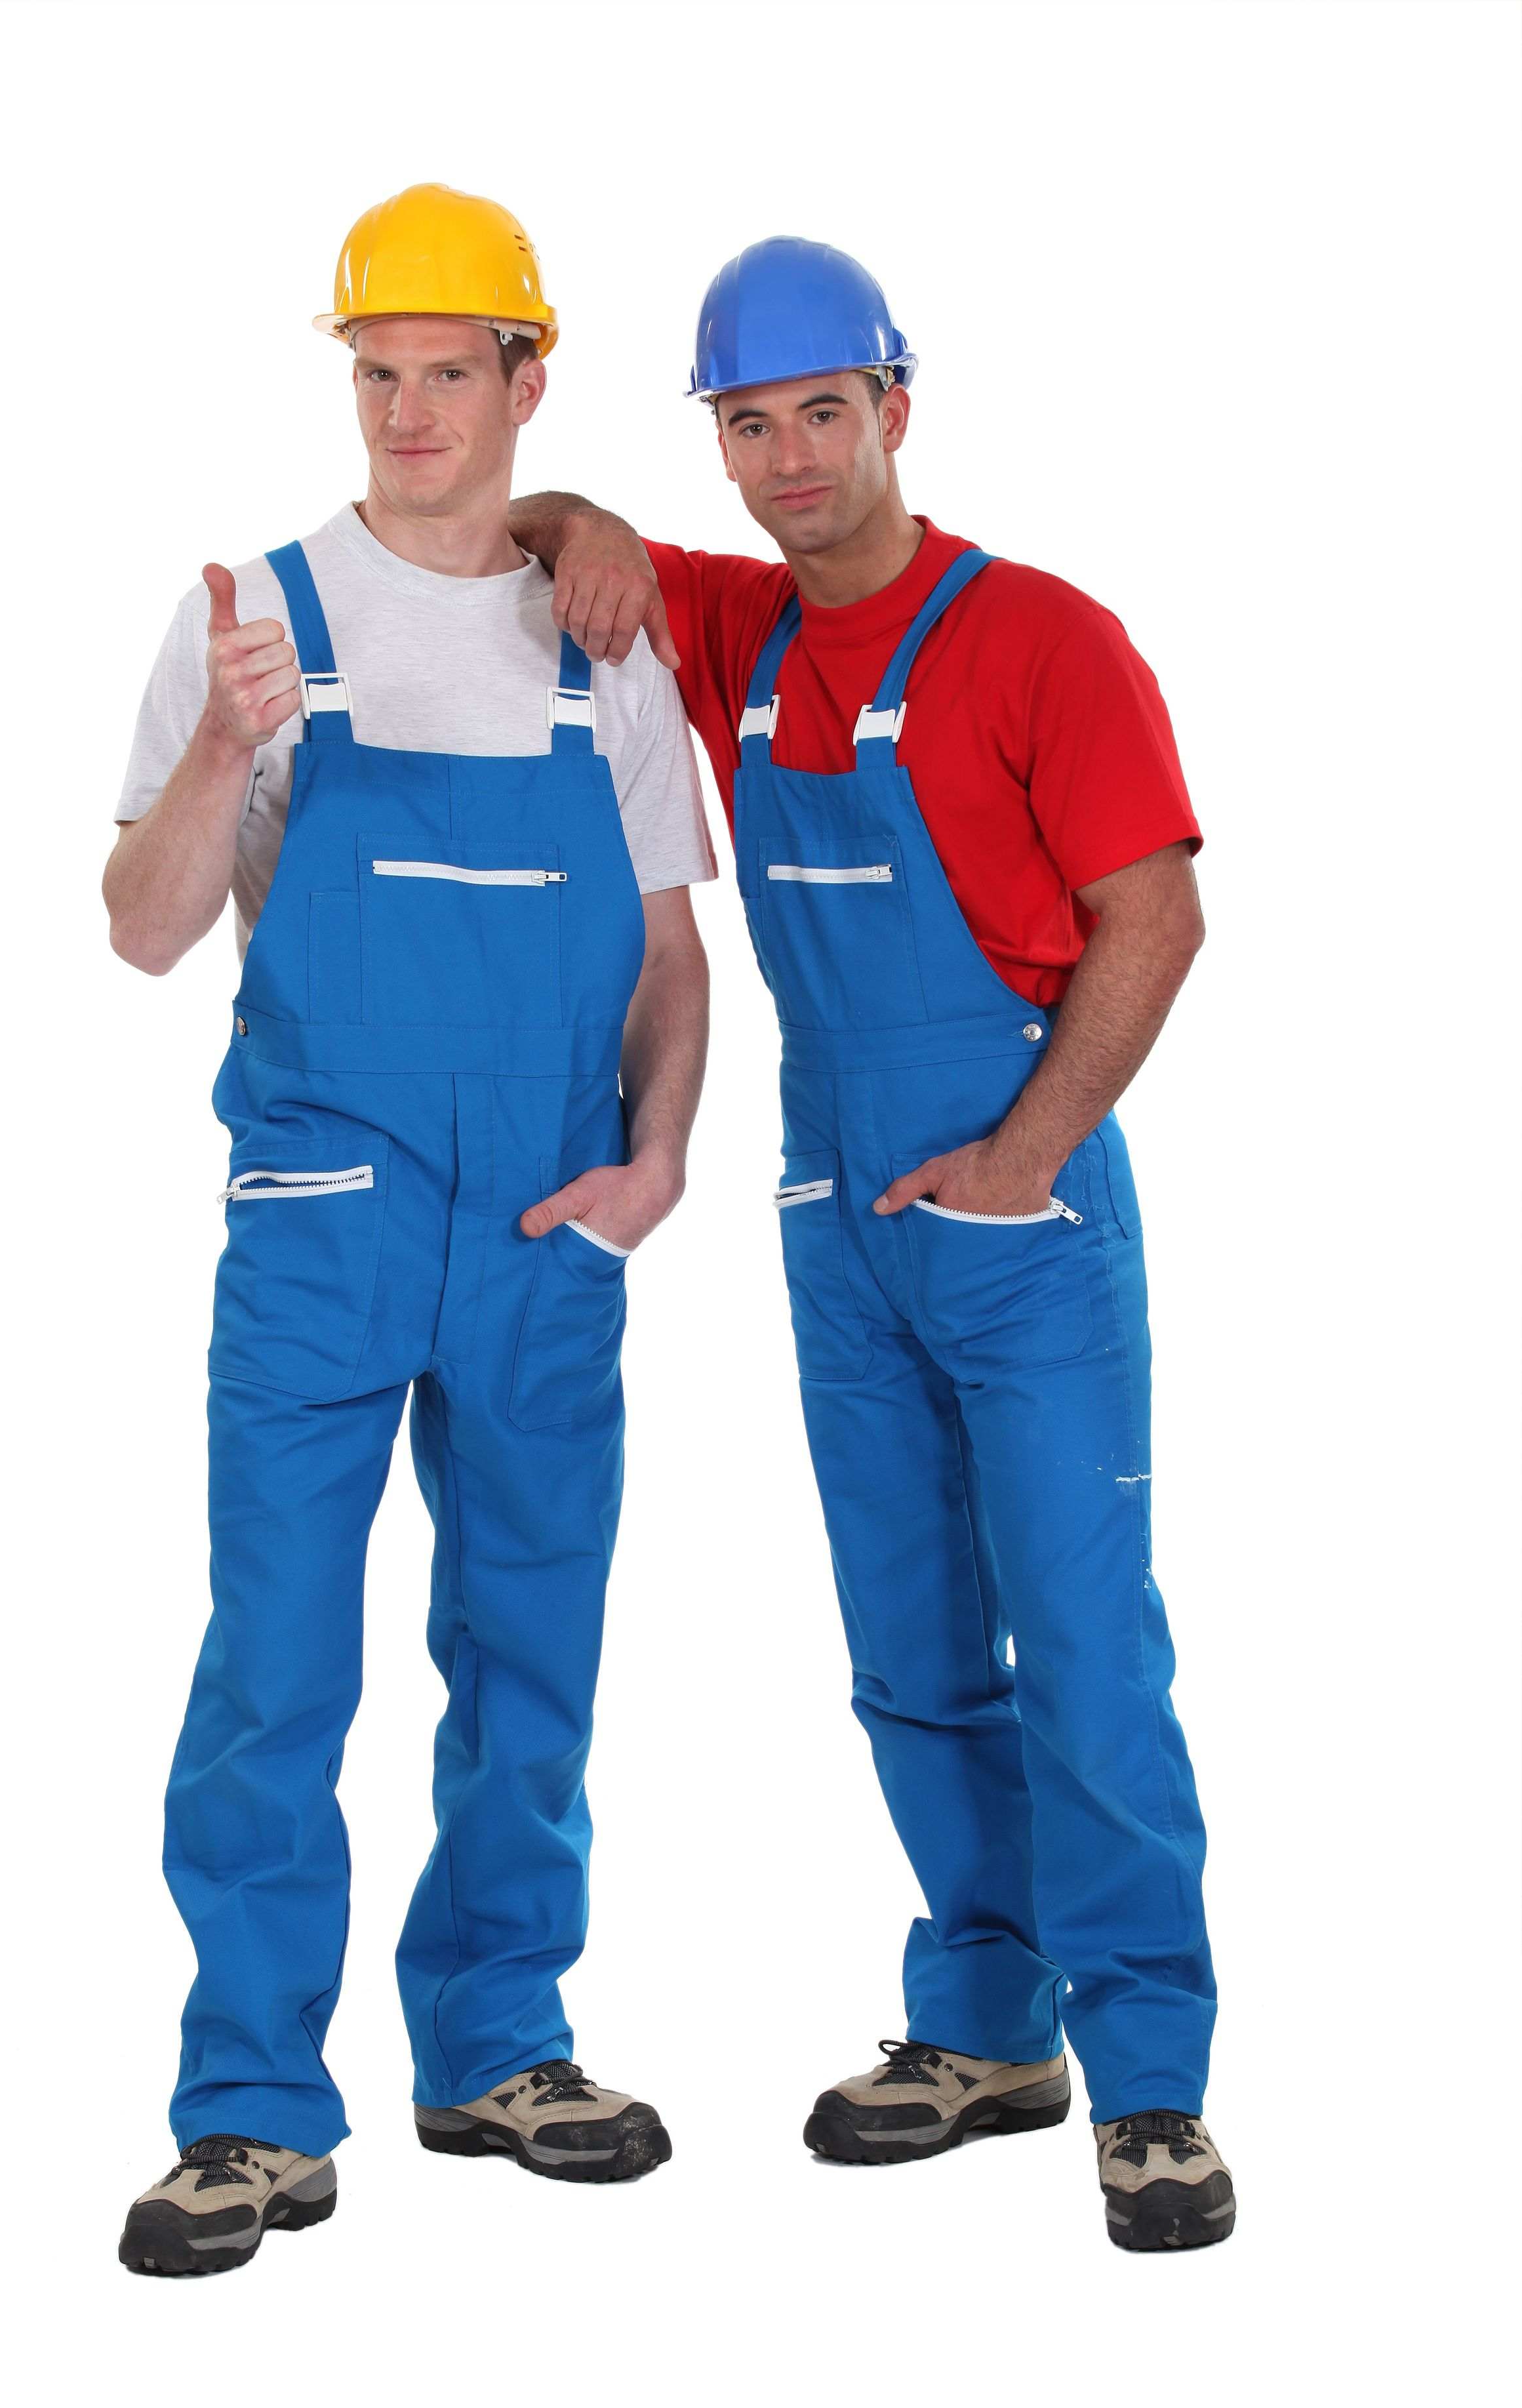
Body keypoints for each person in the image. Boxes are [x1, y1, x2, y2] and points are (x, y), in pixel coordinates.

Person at [511, 235, 1234, 2253]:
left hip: (1020, 1213)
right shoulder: (733, 623)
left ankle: (1151, 2083)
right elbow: (549, 529)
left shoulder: (1044, 639)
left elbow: (1155, 916)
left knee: (1082, 1646)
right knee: (910, 1648)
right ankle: (989, 2030)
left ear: (893, 409)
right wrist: (576, 517)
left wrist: (1023, 1153)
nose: (788, 458)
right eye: (746, 426)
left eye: (820, 413)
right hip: (835, 1213)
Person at [104, 184, 714, 2275]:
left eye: (449, 369)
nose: (408, 413)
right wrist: (223, 746)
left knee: (529, 1645)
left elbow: (668, 951)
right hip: (328, 1211)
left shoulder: (597, 635)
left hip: (544, 1215)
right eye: (377, 371)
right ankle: (249, 2109)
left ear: (528, 378)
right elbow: (143, 930)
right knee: (275, 1661)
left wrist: (658, 1161)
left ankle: (499, 2043)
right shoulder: (252, 617)